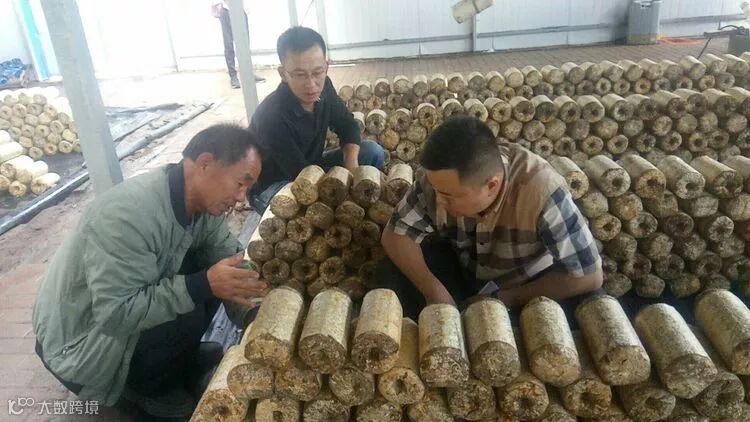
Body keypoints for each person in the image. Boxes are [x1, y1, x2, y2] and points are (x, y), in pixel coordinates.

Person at [32, 124, 267, 418]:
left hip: (116, 318)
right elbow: (115, 314)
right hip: (79, 345)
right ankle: (143, 387)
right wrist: (200, 285)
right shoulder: (126, 215)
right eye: (240, 183)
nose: (242, 198)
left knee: (215, 276)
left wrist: (258, 315)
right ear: (205, 163)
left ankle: (178, 359)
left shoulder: (204, 205)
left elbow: (231, 259)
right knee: (197, 295)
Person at [375, 116, 603, 321]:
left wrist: (503, 299)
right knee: (390, 272)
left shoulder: (541, 190)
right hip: (464, 271)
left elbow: (589, 276)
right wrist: (434, 291)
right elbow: (395, 235)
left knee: (590, 304)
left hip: (524, 286)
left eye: (449, 196)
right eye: (436, 191)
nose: (439, 201)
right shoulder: (437, 181)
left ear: (491, 185)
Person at [248, 26, 385, 211]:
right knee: (313, 212)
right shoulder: (271, 117)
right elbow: (300, 174)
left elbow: (347, 124)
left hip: (312, 166)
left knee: (372, 151)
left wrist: (352, 164)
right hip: (276, 183)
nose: (311, 85)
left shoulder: (325, 87)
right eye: (300, 75)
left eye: (317, 72)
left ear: (326, 67)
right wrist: (349, 186)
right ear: (283, 74)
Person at [211, 0, 266, 88]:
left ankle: (248, 74)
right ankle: (233, 76)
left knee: (245, 44)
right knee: (229, 45)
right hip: (226, 10)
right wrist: (216, 4)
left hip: (241, 10)